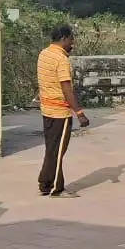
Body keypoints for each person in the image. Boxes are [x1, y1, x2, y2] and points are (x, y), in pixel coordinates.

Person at [36, 25, 90, 200]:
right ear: (64, 38)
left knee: (51, 149)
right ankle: (56, 189)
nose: (73, 43)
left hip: (47, 109)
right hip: (60, 112)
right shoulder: (61, 60)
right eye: (71, 39)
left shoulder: (44, 54)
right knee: (58, 151)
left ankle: (44, 182)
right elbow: (66, 88)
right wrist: (79, 113)